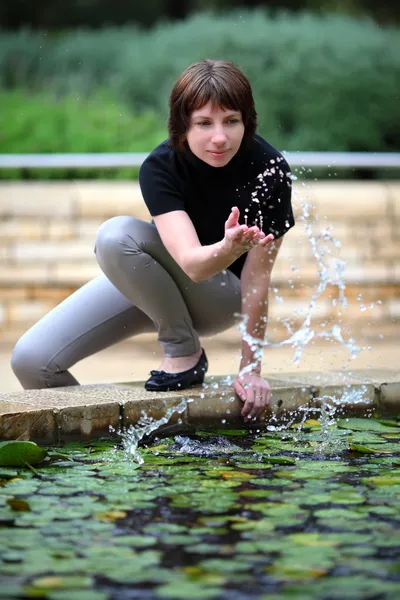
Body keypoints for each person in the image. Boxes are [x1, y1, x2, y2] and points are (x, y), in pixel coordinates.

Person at [11, 59, 295, 421]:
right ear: (182, 125)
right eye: (204, 123)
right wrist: (227, 247)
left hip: (221, 296)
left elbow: (255, 280)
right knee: (32, 361)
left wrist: (250, 369)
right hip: (163, 281)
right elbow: (190, 261)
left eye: (231, 121)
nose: (219, 137)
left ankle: (183, 350)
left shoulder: (270, 170)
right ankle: (112, 441)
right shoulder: (161, 167)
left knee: (117, 234)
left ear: (247, 122)